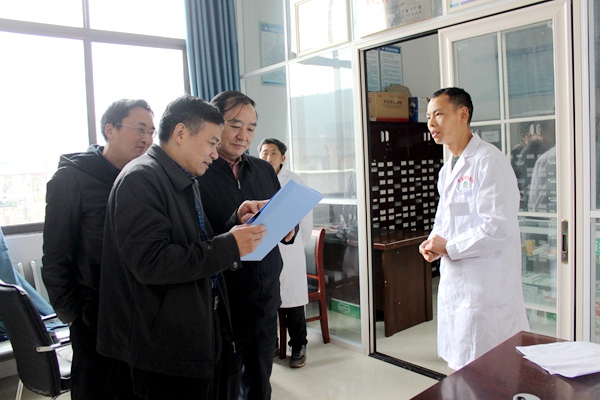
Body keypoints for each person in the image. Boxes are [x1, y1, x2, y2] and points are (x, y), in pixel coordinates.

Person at [96, 95, 268, 400]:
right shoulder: (141, 179)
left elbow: (192, 244)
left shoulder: (180, 177)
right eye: (211, 143)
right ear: (180, 133)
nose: (215, 154)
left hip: (192, 330)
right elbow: (152, 262)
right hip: (162, 346)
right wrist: (230, 246)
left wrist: (234, 222)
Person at [42, 99, 155, 399]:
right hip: (93, 316)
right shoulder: (71, 179)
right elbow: (55, 255)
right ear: (110, 130)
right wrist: (73, 316)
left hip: (138, 313)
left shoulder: (142, 178)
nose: (146, 139)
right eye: (139, 129)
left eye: (151, 132)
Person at [418, 87, 529, 373]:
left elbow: (498, 226)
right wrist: (432, 243)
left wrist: (449, 247)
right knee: (462, 369)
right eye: (428, 117)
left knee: (491, 371)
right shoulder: (448, 170)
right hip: (457, 284)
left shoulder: (488, 161)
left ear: (462, 114)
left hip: (486, 288)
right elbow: (445, 221)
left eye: (438, 114)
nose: (431, 124)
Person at [197, 91, 294, 400]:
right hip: (225, 305)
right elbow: (196, 240)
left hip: (265, 298)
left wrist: (287, 229)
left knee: (260, 384)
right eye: (235, 125)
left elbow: (277, 219)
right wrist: (233, 224)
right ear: (214, 124)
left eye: (251, 128)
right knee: (224, 386)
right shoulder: (198, 172)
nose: (244, 136)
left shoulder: (263, 169)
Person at [258, 138, 312, 368]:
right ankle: (272, 344)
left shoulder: (294, 181)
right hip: (265, 250)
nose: (268, 157)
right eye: (264, 152)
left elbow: (305, 222)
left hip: (290, 250)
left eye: (273, 153)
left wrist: (295, 244)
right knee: (268, 299)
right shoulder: (255, 178)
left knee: (293, 302)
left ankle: (298, 345)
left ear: (283, 157)